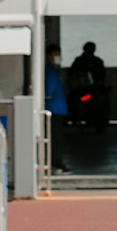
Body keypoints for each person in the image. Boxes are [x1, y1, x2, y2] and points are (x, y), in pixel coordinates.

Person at [44, 43, 71, 175]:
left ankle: (56, 162)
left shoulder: (54, 71)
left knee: (56, 139)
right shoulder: (50, 72)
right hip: (53, 110)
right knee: (54, 139)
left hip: (58, 109)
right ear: (49, 56)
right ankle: (55, 164)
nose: (58, 58)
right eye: (56, 55)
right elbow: (48, 91)